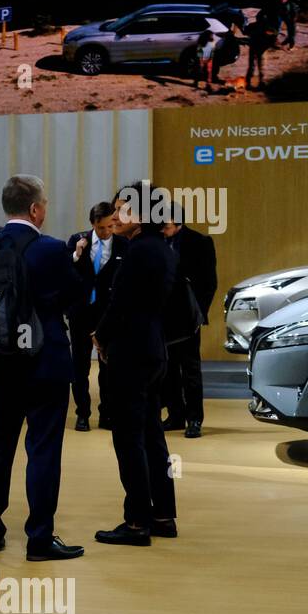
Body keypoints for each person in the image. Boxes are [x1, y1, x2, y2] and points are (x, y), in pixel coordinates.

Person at [0, 174, 87, 561]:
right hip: (45, 364)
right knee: (43, 449)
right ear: (36, 209)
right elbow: (76, 295)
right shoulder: (52, 249)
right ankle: (38, 539)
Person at [91, 183, 178, 546]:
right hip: (154, 349)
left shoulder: (139, 251)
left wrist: (100, 336)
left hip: (130, 352)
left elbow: (121, 305)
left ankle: (137, 521)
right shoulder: (163, 249)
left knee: (128, 439)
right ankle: (163, 514)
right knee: (152, 436)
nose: (115, 215)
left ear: (141, 214)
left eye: (122, 209)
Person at [66, 201, 126, 431]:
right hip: (81, 312)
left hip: (107, 314)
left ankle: (107, 413)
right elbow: (65, 270)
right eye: (102, 228)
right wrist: (76, 254)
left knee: (108, 366)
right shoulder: (77, 240)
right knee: (79, 365)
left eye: (110, 226)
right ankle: (82, 413)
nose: (107, 232)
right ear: (93, 224)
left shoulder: (122, 245)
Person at [160, 212, 218, 438]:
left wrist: (199, 312)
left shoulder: (199, 242)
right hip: (165, 316)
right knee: (169, 369)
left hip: (188, 316)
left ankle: (194, 418)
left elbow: (209, 282)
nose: (163, 229)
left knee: (190, 370)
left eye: (166, 225)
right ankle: (175, 414)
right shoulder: (159, 241)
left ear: (178, 223)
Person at [245, 10, 275, 90]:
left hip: (254, 48)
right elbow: (274, 36)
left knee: (252, 66)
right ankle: (261, 82)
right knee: (262, 66)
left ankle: (248, 83)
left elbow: (246, 31)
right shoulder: (268, 27)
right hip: (262, 49)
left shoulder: (252, 26)